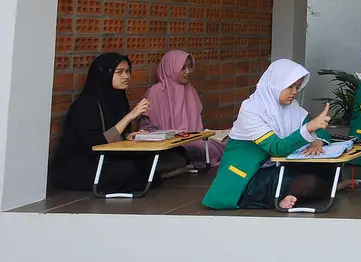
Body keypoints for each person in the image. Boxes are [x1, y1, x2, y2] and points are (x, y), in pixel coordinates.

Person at [202, 59, 340, 210]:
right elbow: (276, 148)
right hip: (250, 175)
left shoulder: (292, 107)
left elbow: (320, 130)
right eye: (290, 86)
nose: (294, 92)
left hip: (278, 167)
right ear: (275, 84)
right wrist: (308, 128)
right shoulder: (251, 110)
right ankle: (321, 191)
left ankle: (319, 190)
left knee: (329, 169)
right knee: (308, 184)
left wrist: (317, 142)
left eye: (297, 87)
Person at [52, 52, 187, 193]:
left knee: (176, 153)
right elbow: (95, 144)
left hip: (109, 158)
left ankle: (155, 176)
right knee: (129, 169)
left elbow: (115, 135)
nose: (126, 76)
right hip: (83, 165)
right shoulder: (86, 104)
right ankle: (155, 176)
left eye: (128, 71)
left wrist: (129, 136)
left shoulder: (118, 98)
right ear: (104, 74)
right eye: (119, 72)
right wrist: (130, 116)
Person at [140, 49, 223, 171]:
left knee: (231, 140)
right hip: (170, 143)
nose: (188, 71)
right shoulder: (156, 92)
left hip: (194, 137)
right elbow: (146, 128)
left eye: (189, 67)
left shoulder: (190, 90)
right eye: (182, 68)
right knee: (205, 147)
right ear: (170, 68)